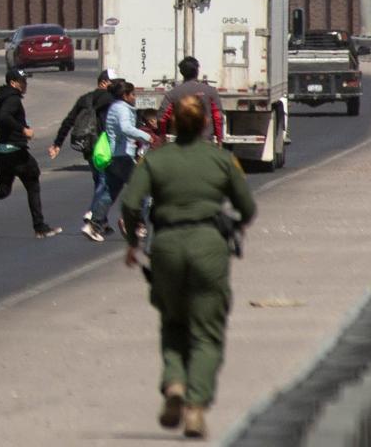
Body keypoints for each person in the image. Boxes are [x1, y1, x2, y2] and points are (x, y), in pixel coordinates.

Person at [120, 95, 256, 439]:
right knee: (207, 332)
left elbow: (131, 204)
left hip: (166, 246)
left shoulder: (155, 160)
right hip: (209, 246)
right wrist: (233, 225)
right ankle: (195, 407)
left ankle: (175, 385)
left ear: (175, 123)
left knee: (173, 321)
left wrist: (134, 245)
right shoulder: (221, 159)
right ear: (206, 125)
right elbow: (247, 207)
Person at [0, 68, 62, 239]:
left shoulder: (2, 96)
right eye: (22, 81)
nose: (25, 84)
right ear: (14, 83)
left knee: (4, 189)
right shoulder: (13, 98)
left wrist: (11, 127)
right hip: (15, 151)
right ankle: (40, 227)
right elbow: (4, 116)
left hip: (2, 151)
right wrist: (23, 130)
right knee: (33, 182)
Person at [48, 68, 117, 232]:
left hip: (87, 146)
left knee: (99, 180)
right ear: (104, 82)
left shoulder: (84, 99)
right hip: (102, 145)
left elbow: (68, 121)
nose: (115, 86)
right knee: (104, 181)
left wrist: (57, 143)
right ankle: (93, 213)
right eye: (113, 82)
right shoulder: (110, 99)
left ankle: (103, 220)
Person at [84, 81, 153, 242]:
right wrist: (147, 137)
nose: (135, 97)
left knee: (110, 193)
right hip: (122, 157)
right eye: (133, 94)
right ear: (125, 96)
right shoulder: (121, 108)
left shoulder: (115, 107)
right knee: (144, 192)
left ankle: (94, 225)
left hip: (115, 157)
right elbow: (126, 128)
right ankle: (135, 224)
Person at [159, 56, 224, 144]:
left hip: (182, 144)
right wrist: (219, 139)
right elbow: (218, 117)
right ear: (197, 71)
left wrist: (162, 136)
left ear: (181, 72)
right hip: (206, 142)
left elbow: (162, 118)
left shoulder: (173, 93)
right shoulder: (211, 91)